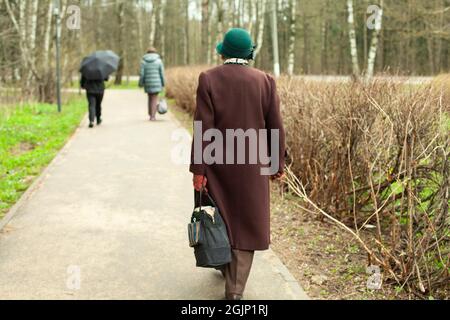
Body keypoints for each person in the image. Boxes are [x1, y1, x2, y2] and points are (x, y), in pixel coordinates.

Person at [190, 28, 286, 300]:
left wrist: (199, 169)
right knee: (246, 222)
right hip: (253, 166)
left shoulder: (208, 79)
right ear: (248, 53)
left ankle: (227, 273)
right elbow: (275, 126)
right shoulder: (265, 81)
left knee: (220, 216)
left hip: (218, 164)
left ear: (223, 52)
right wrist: (276, 163)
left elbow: (202, 128)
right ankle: (234, 288)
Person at [139, 47, 165, 121]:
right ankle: (152, 116)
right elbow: (162, 74)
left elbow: (142, 74)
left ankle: (150, 113)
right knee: (154, 98)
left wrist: (141, 83)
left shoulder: (143, 62)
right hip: (157, 83)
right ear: (155, 53)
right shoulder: (159, 61)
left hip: (147, 83)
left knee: (150, 98)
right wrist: (163, 83)